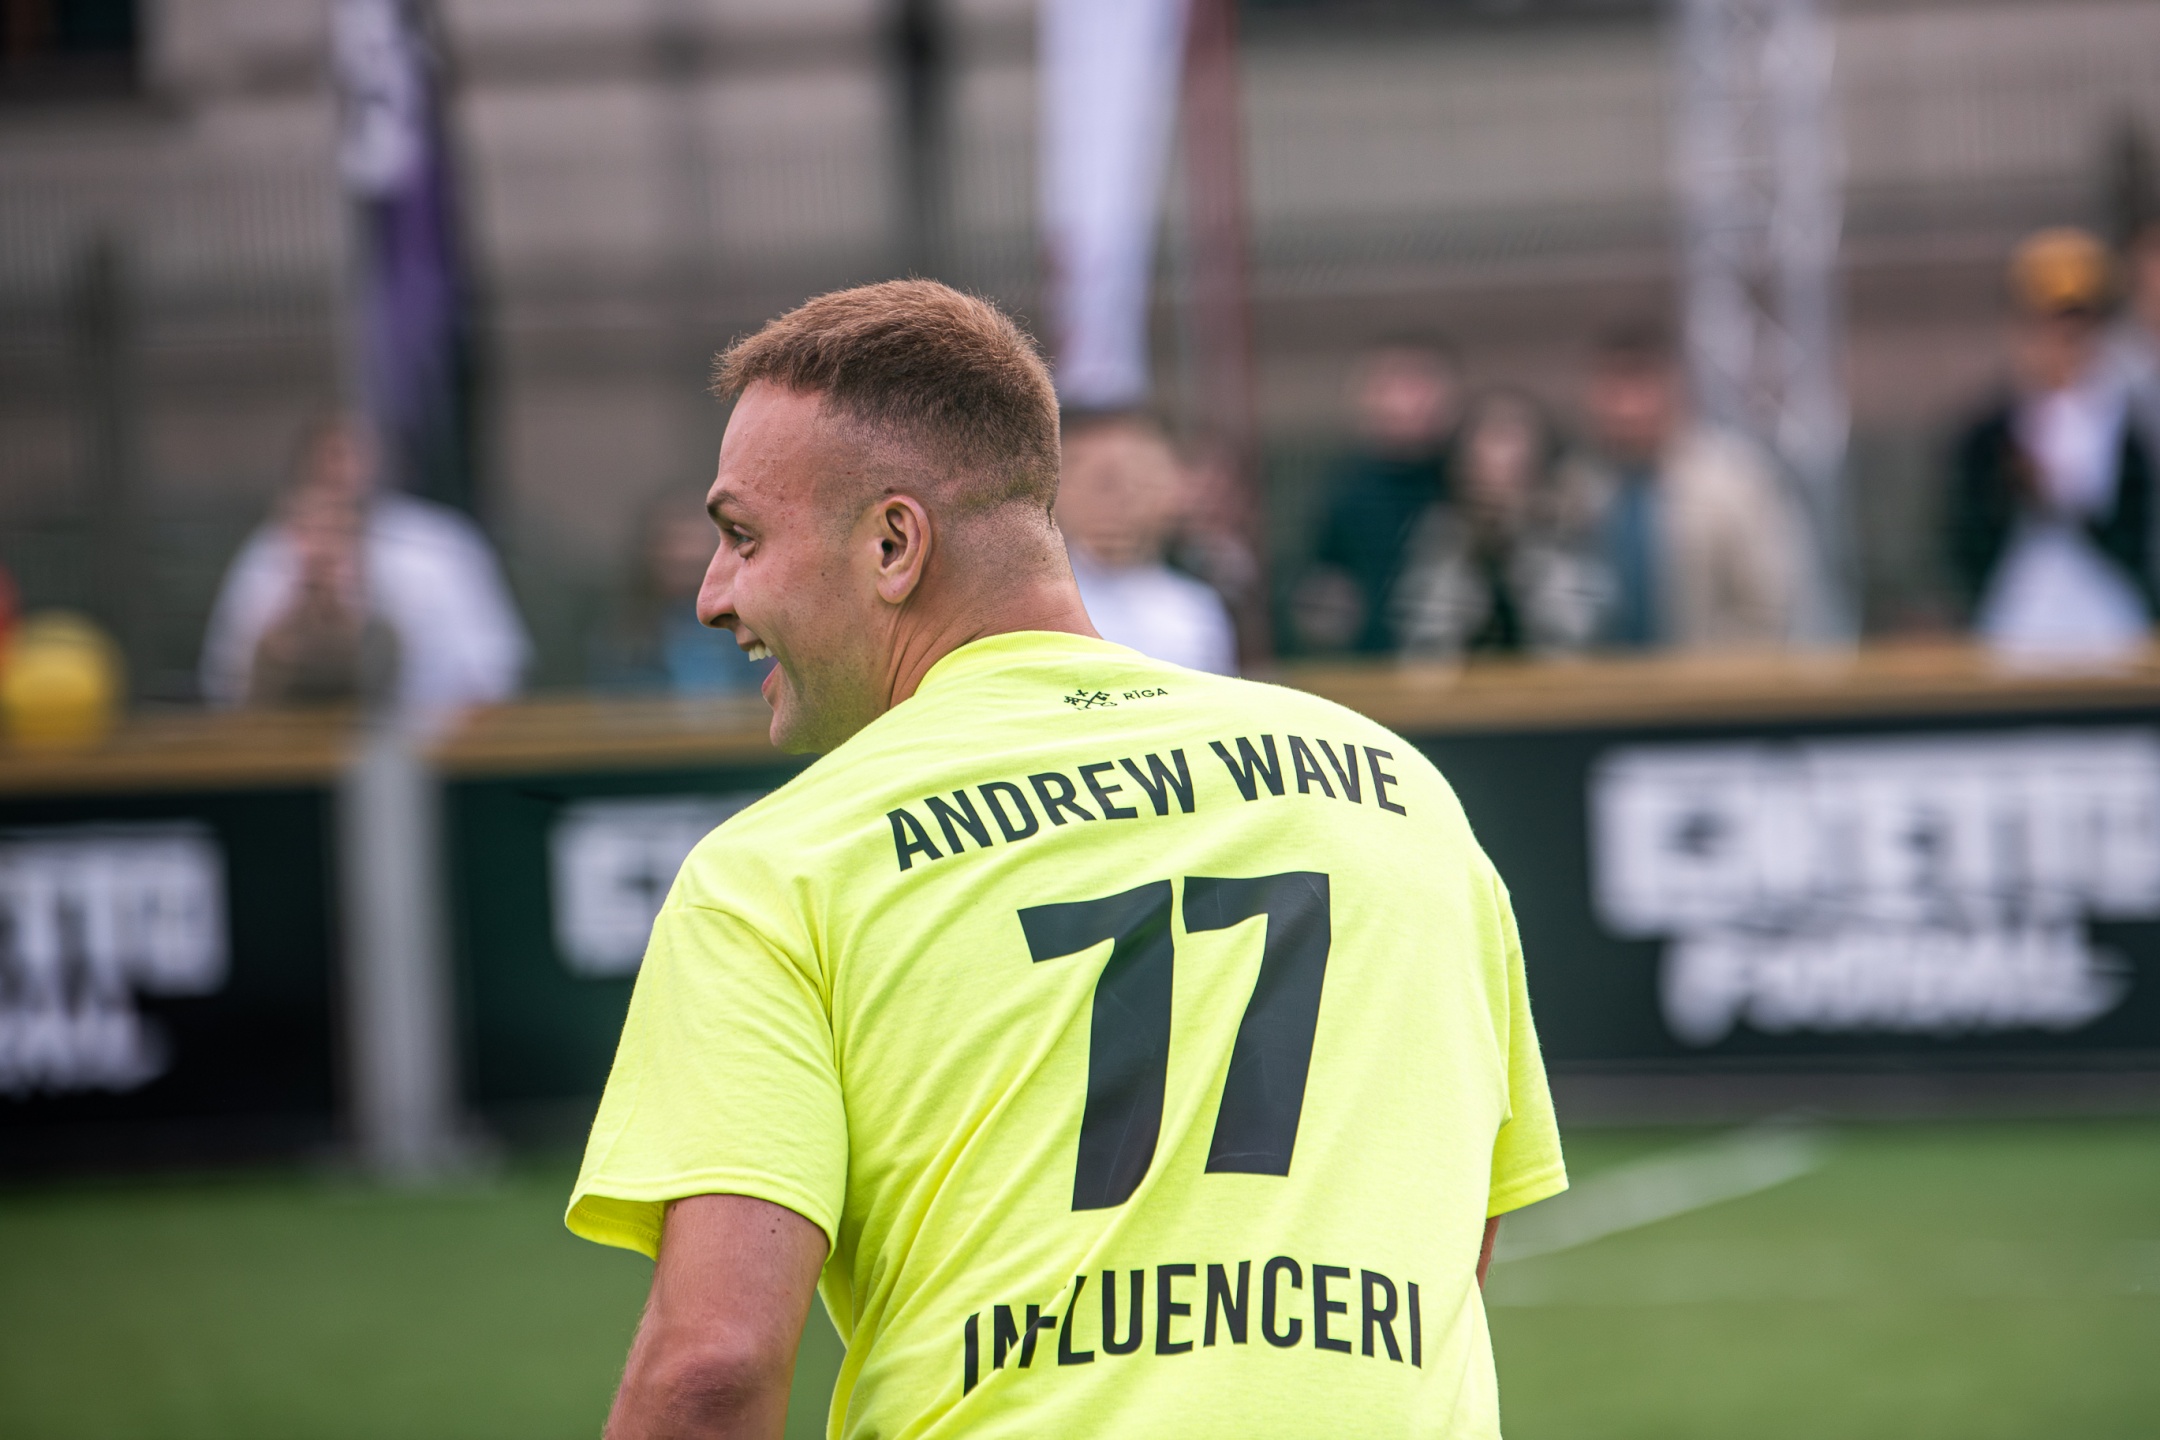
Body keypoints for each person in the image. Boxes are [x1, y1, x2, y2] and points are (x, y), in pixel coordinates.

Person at [566, 281, 1566, 1439]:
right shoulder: (1400, 792)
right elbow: (1449, 1242)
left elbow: (711, 1370)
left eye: (743, 537)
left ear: (894, 544)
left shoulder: (780, 866)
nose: (712, 594)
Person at [200, 417, 530, 717]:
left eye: (356, 452)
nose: (344, 468)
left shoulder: (441, 543)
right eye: (333, 453)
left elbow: (494, 672)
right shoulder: (270, 552)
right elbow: (228, 680)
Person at [1948, 228, 2157, 658]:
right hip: (2012, 633)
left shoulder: (2130, 427)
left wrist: (2065, 498)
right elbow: (1965, 539)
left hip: (2114, 631)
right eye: (2046, 326)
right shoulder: (1991, 433)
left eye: (2077, 329)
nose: (2062, 344)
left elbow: (2136, 536)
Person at [1571, 324, 1804, 650]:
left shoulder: (1735, 482)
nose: (1625, 407)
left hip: (1711, 677)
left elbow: (1768, 607)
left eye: (1639, 386)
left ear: (1673, 388)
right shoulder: (1578, 487)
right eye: (1612, 389)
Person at [1391, 387, 1607, 658]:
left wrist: (1525, 543)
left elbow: (1576, 636)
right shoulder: (1441, 534)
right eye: (1490, 441)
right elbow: (1422, 641)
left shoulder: (1568, 535)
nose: (1502, 460)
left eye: (1515, 445)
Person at [1296, 337, 1463, 654]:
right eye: (1391, 384)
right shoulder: (1343, 493)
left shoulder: (1467, 482)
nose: (1406, 400)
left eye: (1418, 383)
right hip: (1372, 663)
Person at [1057, 413, 1237, 675]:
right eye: (1100, 481)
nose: (1119, 498)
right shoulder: (1035, 607)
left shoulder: (1198, 610)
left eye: (1139, 477)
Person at [591, 488, 772, 694]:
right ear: (650, 551)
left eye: (694, 540)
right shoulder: (625, 638)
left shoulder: (751, 625)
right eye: (672, 541)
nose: (685, 554)